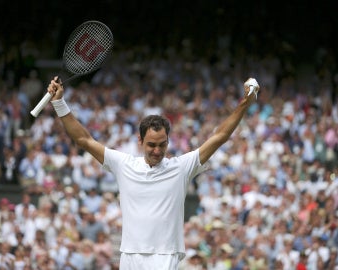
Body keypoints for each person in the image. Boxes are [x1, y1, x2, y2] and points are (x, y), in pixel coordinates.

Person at [46, 76, 260, 269]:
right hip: (129, 255)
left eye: (162, 144)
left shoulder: (182, 167)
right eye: (151, 145)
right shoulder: (123, 164)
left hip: (165, 255)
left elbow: (219, 137)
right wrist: (58, 102)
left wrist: (244, 105)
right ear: (140, 141)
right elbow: (83, 139)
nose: (157, 151)